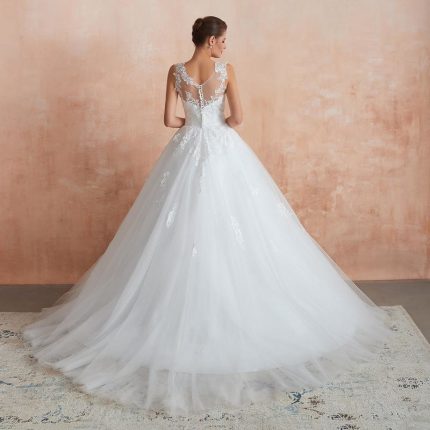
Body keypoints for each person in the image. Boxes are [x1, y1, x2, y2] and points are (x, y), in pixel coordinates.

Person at [22, 15, 394, 417]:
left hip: (186, 147)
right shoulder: (225, 71)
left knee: (173, 228)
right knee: (243, 227)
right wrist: (215, 124)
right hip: (221, 149)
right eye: (224, 40)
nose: (225, 47)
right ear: (212, 40)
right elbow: (237, 118)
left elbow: (169, 120)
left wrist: (192, 126)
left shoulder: (175, 71)